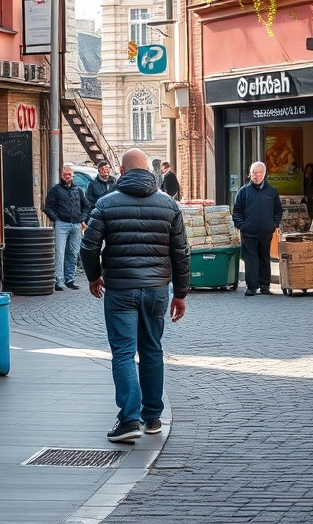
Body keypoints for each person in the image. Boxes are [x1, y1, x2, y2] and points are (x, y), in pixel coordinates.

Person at [80, 148, 189, 444]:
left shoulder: (106, 203)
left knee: (124, 352)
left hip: (120, 289)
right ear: (149, 171)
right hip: (156, 290)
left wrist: (94, 277)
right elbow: (181, 252)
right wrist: (180, 293)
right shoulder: (168, 204)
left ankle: (129, 420)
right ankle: (152, 417)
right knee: (152, 349)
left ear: (122, 170)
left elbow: (88, 247)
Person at [232, 161, 284, 297]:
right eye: (253, 173)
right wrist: (242, 226)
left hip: (266, 232)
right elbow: (236, 211)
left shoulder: (271, 191)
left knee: (265, 258)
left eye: (258, 173)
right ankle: (252, 286)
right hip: (249, 233)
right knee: (251, 260)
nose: (255, 176)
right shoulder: (244, 191)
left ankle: (265, 285)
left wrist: (273, 224)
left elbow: (278, 211)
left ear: (264, 174)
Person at [44, 163, 91, 291]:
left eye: (70, 174)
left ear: (73, 176)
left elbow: (87, 205)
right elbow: (48, 207)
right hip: (62, 225)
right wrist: (56, 219)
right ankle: (59, 280)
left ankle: (70, 280)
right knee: (59, 253)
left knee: (73, 253)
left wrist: (81, 218)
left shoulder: (78, 191)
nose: (68, 177)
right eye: (65, 175)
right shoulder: (55, 190)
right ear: (61, 175)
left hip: (76, 225)